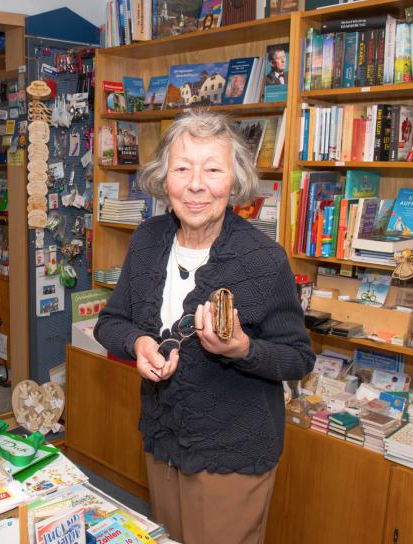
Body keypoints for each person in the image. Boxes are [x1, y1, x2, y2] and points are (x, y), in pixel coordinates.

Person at [94, 111, 314, 544]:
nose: (196, 184)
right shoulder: (146, 240)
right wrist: (138, 342)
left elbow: (298, 358)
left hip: (232, 455)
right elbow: (110, 322)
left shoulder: (264, 260)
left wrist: (243, 349)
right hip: (163, 439)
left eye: (213, 169)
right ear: (164, 178)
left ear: (234, 181)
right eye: (182, 168)